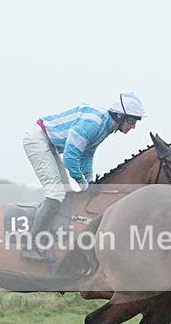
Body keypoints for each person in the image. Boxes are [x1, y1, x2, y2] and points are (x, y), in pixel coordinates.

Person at [21, 92, 145, 261]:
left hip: (50, 143)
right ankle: (30, 247)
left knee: (65, 193)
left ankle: (50, 236)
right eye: (131, 121)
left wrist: (89, 180)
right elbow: (71, 158)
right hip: (38, 140)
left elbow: (86, 155)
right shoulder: (93, 123)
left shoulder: (106, 127)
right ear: (119, 115)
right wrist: (83, 183)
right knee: (56, 193)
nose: (133, 127)